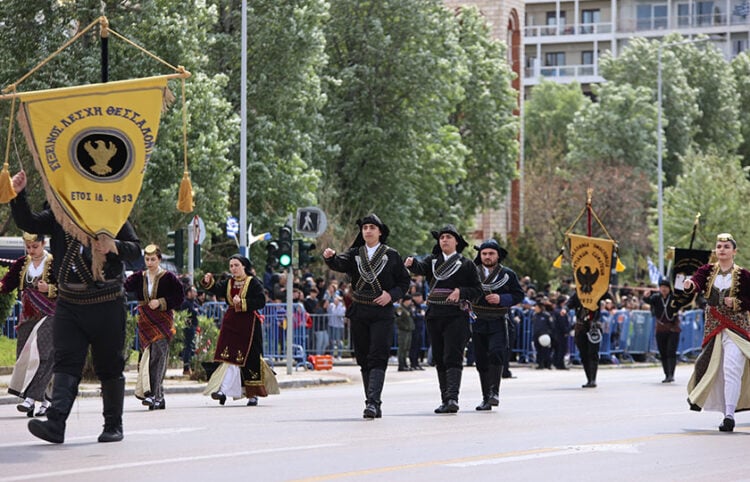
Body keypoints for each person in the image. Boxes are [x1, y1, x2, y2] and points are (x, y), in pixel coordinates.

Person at [11, 170, 141, 444]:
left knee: (109, 366)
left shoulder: (112, 214)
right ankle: (56, 424)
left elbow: (135, 250)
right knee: (66, 362)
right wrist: (18, 194)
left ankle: (113, 426)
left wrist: (113, 245)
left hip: (106, 303)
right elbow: (27, 221)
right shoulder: (59, 216)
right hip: (70, 304)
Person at [323, 214, 410, 419]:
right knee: (362, 356)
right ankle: (370, 402)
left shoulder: (392, 255)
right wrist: (330, 257)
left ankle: (373, 402)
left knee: (378, 355)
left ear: (380, 232)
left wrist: (391, 295)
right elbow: (340, 263)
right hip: (360, 310)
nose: (368, 231)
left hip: (382, 312)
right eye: (365, 228)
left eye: (372, 227)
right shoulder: (355, 254)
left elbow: (404, 282)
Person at [405, 225, 482, 414]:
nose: (444, 240)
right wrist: (411, 263)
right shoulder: (432, 261)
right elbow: (420, 267)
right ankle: (444, 399)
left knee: (452, 356)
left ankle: (453, 398)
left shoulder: (466, 264)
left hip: (456, 315)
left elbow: (478, 290)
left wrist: (461, 291)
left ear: (457, 241)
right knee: (439, 357)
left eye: (448, 237)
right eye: (441, 238)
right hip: (435, 314)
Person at [684, 233, 750, 432]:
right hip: (714, 329)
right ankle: (722, 409)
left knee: (733, 368)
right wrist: (689, 285)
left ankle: (729, 416)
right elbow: (696, 282)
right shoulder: (707, 270)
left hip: (736, 329)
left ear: (734, 251)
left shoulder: (744, 275)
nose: (722, 249)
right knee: (711, 368)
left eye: (726, 246)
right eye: (719, 246)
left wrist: (737, 303)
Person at [201, 255, 268, 406]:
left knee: (250, 358)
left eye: (236, 265)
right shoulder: (229, 282)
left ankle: (252, 394)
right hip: (231, 323)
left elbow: (261, 301)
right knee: (229, 356)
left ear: (244, 266)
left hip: (249, 325)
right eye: (231, 266)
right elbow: (217, 289)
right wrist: (208, 282)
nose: (233, 269)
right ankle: (223, 391)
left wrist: (243, 302)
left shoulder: (253, 283)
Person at [125, 244, 185, 410]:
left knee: (159, 357)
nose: (149, 262)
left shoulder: (169, 277)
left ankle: (154, 395)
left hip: (163, 321)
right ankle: (159, 396)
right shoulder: (139, 277)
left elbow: (180, 296)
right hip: (145, 322)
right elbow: (124, 286)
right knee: (149, 358)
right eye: (147, 259)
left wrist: (161, 302)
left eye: (153, 259)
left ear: (159, 260)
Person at [3, 232, 57, 417]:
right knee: (25, 356)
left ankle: (30, 399)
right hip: (27, 315)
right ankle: (47, 400)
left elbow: (67, 287)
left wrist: (49, 289)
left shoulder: (54, 263)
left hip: (51, 314)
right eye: (28, 247)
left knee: (41, 355)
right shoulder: (21, 263)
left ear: (43, 244)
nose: (31, 250)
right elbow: (7, 283)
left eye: (35, 247)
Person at [469, 239, 524, 411]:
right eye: (484, 253)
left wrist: (502, 299)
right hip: (478, 320)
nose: (487, 257)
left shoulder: (508, 274)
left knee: (496, 353)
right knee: (481, 359)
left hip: (499, 320)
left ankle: (494, 393)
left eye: (491, 253)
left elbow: (518, 295)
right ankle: (486, 397)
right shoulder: (472, 272)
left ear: (498, 255)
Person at [566, 290, 612, 389]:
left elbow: (609, 297)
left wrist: (605, 286)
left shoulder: (597, 292)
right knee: (584, 353)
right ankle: (588, 378)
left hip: (593, 326)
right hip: (581, 327)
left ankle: (593, 379)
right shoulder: (577, 293)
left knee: (593, 353)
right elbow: (569, 304)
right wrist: (565, 309)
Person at [647, 279, 680, 383]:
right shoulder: (656, 298)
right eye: (661, 287)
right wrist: (646, 296)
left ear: (669, 288)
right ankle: (666, 374)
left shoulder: (674, 298)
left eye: (665, 287)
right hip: (660, 328)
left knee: (671, 351)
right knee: (663, 352)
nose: (664, 289)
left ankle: (671, 374)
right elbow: (647, 300)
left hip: (673, 328)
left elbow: (684, 300)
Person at [180, 286, 201, 376]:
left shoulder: (194, 302)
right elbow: (193, 312)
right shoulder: (185, 303)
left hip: (195, 326)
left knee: (193, 347)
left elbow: (199, 311)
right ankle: (186, 368)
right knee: (188, 347)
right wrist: (195, 311)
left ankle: (192, 367)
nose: (195, 294)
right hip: (188, 327)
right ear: (188, 293)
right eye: (194, 291)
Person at [532, 297, 554, 370]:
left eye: (537, 307)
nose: (535, 308)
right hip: (537, 335)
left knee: (546, 351)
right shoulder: (534, 315)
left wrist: (549, 333)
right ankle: (540, 364)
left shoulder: (546, 315)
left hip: (544, 335)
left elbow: (551, 326)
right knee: (538, 350)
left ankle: (548, 364)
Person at [395, 295, 415, 371]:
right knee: (402, 348)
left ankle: (405, 364)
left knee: (406, 348)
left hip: (408, 331)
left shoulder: (408, 309)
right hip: (403, 331)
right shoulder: (400, 309)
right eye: (409, 300)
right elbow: (398, 320)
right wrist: (405, 327)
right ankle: (401, 365)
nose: (410, 302)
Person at [551, 295, 570, 370]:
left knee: (557, 349)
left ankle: (556, 363)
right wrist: (566, 330)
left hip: (556, 332)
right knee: (561, 349)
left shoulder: (555, 310)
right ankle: (560, 364)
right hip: (560, 333)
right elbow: (562, 323)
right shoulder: (560, 312)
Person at [408, 292, 426, 371]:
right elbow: (413, 315)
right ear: (416, 297)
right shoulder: (412, 305)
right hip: (414, 329)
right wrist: (421, 315)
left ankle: (416, 363)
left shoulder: (418, 306)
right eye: (420, 297)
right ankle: (413, 363)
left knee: (418, 346)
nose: (421, 300)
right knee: (414, 347)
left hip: (419, 329)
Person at [327, 294, 346, 359]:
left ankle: (339, 355)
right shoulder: (332, 305)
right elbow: (328, 311)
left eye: (336, 299)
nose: (335, 300)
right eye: (334, 299)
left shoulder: (342, 306)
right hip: (331, 325)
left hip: (339, 326)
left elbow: (339, 314)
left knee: (338, 341)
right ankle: (331, 354)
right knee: (331, 340)